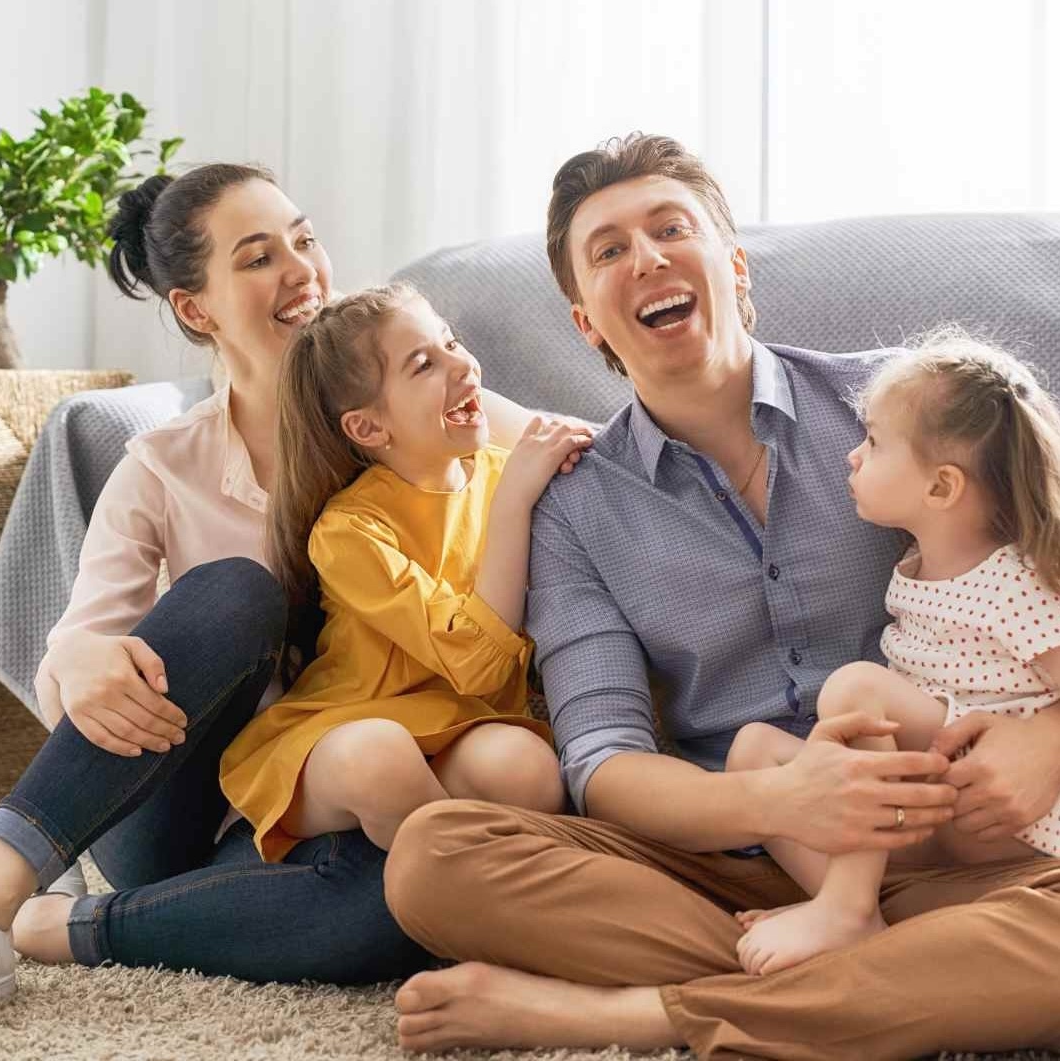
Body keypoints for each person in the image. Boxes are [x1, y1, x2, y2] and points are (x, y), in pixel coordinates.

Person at [0, 163, 574, 1048]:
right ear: (196, 309)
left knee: (398, 913)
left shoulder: (416, 412)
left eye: (303, 238)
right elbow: (74, 673)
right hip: (181, 810)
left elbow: (556, 452)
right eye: (257, 258)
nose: (300, 270)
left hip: (342, 805)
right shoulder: (163, 465)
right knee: (234, 594)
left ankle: (42, 920)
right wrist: (82, 658)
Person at [380, 133, 1060, 1060]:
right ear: (586, 321)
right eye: (609, 250)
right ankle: (892, 980)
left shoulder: (901, 403)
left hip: (976, 846)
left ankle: (650, 1013)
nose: (647, 257)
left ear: (733, 268)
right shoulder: (576, 508)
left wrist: (1047, 737)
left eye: (670, 228)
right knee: (433, 858)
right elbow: (604, 763)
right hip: (726, 866)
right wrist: (782, 804)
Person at [725, 329, 1060, 975]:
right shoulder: (915, 566)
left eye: (874, 442)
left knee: (857, 689)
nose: (852, 457)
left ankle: (846, 908)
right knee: (754, 756)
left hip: (1014, 814)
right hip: (936, 807)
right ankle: (855, 913)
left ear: (940, 489)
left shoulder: (1015, 580)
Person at [219, 283, 575, 863]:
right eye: (423, 364)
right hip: (344, 732)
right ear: (368, 428)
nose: (463, 364)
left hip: (459, 725)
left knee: (528, 770)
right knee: (382, 759)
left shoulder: (506, 474)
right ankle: (454, 899)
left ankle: (429, 871)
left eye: (452, 342)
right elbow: (478, 663)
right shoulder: (346, 532)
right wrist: (515, 502)